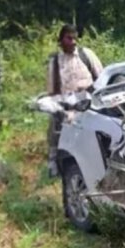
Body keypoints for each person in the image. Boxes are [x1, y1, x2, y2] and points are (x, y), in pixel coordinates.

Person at [45, 24, 103, 177]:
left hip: (88, 101)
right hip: (67, 104)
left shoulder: (86, 55)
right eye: (69, 38)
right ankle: (53, 161)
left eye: (74, 38)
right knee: (54, 123)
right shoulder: (55, 61)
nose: (73, 42)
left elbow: (101, 78)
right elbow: (52, 90)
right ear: (61, 40)